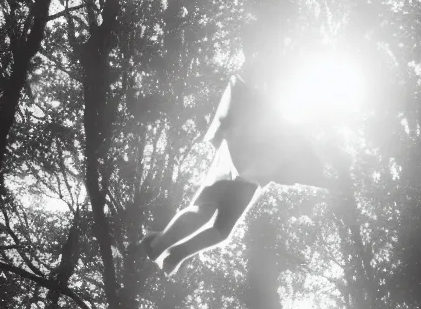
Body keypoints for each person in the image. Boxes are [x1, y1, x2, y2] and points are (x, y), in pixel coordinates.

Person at [142, 75, 333, 275]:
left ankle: (176, 252)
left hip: (252, 180)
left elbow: (302, 172)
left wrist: (326, 179)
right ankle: (157, 244)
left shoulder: (303, 145)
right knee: (204, 212)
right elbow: (251, 101)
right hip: (235, 160)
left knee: (221, 232)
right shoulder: (278, 119)